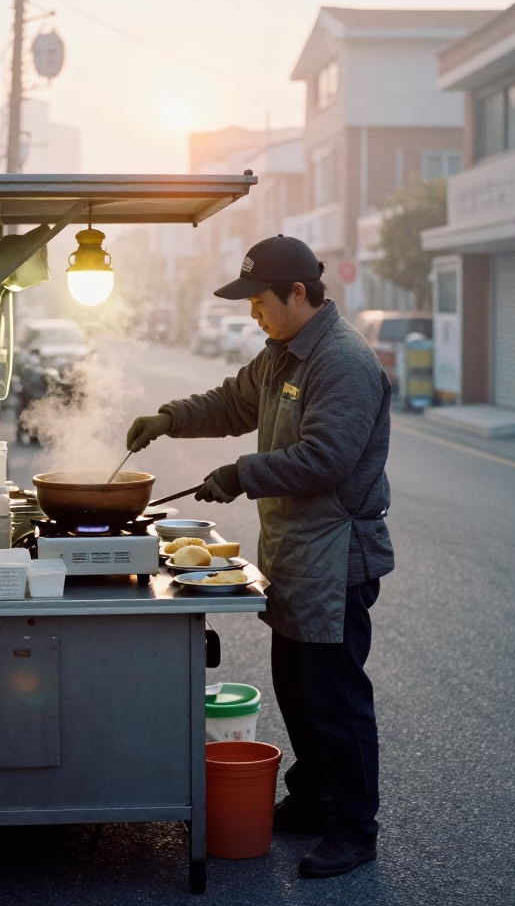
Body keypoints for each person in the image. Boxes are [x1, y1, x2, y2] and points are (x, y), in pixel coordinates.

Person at [127, 236, 392, 879]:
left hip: (335, 555)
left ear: (297, 293)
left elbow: (326, 458)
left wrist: (241, 473)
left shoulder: (343, 361)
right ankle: (315, 797)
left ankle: (355, 829)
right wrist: (169, 418)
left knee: (336, 697)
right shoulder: (281, 355)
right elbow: (232, 403)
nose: (253, 314)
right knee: (296, 690)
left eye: (259, 301)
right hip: (294, 553)